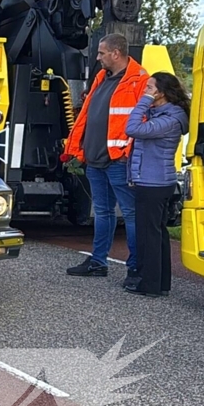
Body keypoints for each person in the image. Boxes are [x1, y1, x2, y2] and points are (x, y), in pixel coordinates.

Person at [63, 33, 148, 283]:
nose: (98, 57)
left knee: (129, 214)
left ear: (116, 53)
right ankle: (98, 262)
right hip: (97, 158)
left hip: (117, 160)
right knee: (102, 212)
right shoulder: (102, 77)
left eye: (101, 53)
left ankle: (135, 267)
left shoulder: (139, 80)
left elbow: (142, 121)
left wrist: (124, 153)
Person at [124, 72, 190, 297]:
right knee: (157, 232)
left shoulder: (169, 120)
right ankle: (161, 283)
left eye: (150, 88)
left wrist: (144, 101)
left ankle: (149, 284)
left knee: (149, 234)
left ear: (161, 92)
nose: (146, 91)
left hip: (153, 182)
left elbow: (132, 129)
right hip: (156, 180)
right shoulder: (166, 115)